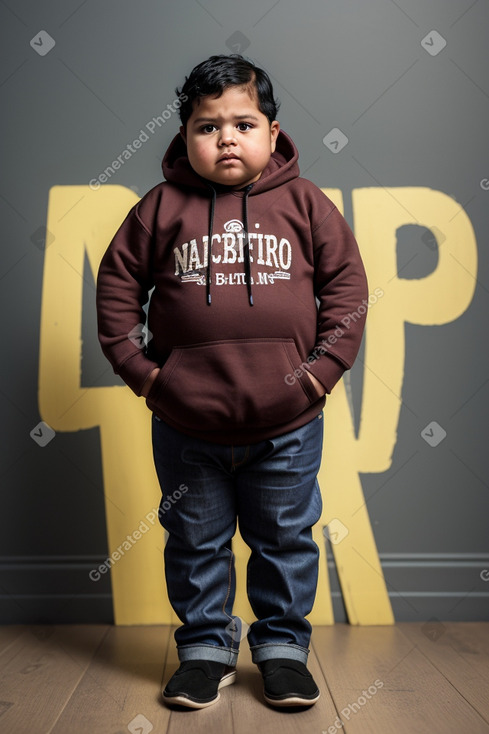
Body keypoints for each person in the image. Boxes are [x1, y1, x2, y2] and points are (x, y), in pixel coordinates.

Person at [96, 54, 368, 710]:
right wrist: (148, 378)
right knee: (195, 541)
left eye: (242, 123)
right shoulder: (159, 208)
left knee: (282, 540)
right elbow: (115, 289)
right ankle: (204, 652)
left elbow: (347, 290)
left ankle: (280, 651)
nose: (224, 137)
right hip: (187, 422)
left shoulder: (306, 204)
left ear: (272, 135)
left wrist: (316, 377)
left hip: (287, 421)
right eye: (204, 125)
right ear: (182, 137)